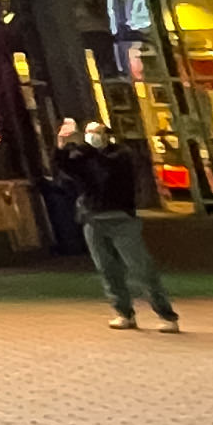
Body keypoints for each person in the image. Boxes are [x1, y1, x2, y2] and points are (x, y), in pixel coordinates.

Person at [53, 117, 180, 332]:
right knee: (107, 269)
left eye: (97, 131)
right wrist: (62, 145)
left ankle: (166, 315)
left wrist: (83, 148)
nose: (92, 136)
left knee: (141, 268)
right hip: (92, 220)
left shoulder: (120, 155)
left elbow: (106, 171)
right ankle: (123, 312)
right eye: (89, 132)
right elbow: (64, 167)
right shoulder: (82, 156)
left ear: (106, 134)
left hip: (121, 219)